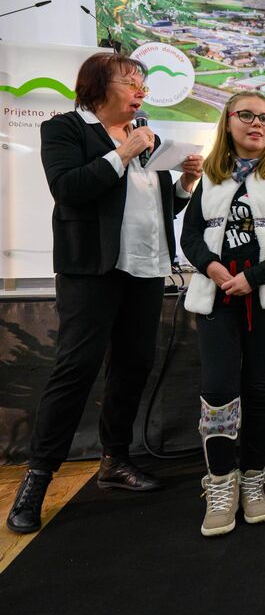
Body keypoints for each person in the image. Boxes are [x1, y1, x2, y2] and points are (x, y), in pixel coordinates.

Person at [6, 53, 202, 534]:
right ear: (97, 85)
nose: (141, 91)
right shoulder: (67, 129)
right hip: (92, 270)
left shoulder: (144, 134)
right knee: (75, 369)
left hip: (146, 267)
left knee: (132, 366)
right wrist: (124, 152)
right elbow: (69, 189)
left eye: (143, 84)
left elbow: (151, 205)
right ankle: (37, 477)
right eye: (131, 82)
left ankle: (115, 461)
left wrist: (184, 184)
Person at [180, 92, 265, 536]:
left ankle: (254, 479)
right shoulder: (211, 176)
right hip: (218, 296)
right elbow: (191, 236)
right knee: (218, 390)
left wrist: (253, 278)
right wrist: (213, 268)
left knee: (259, 389)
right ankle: (221, 483)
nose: (257, 124)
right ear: (228, 121)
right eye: (246, 116)